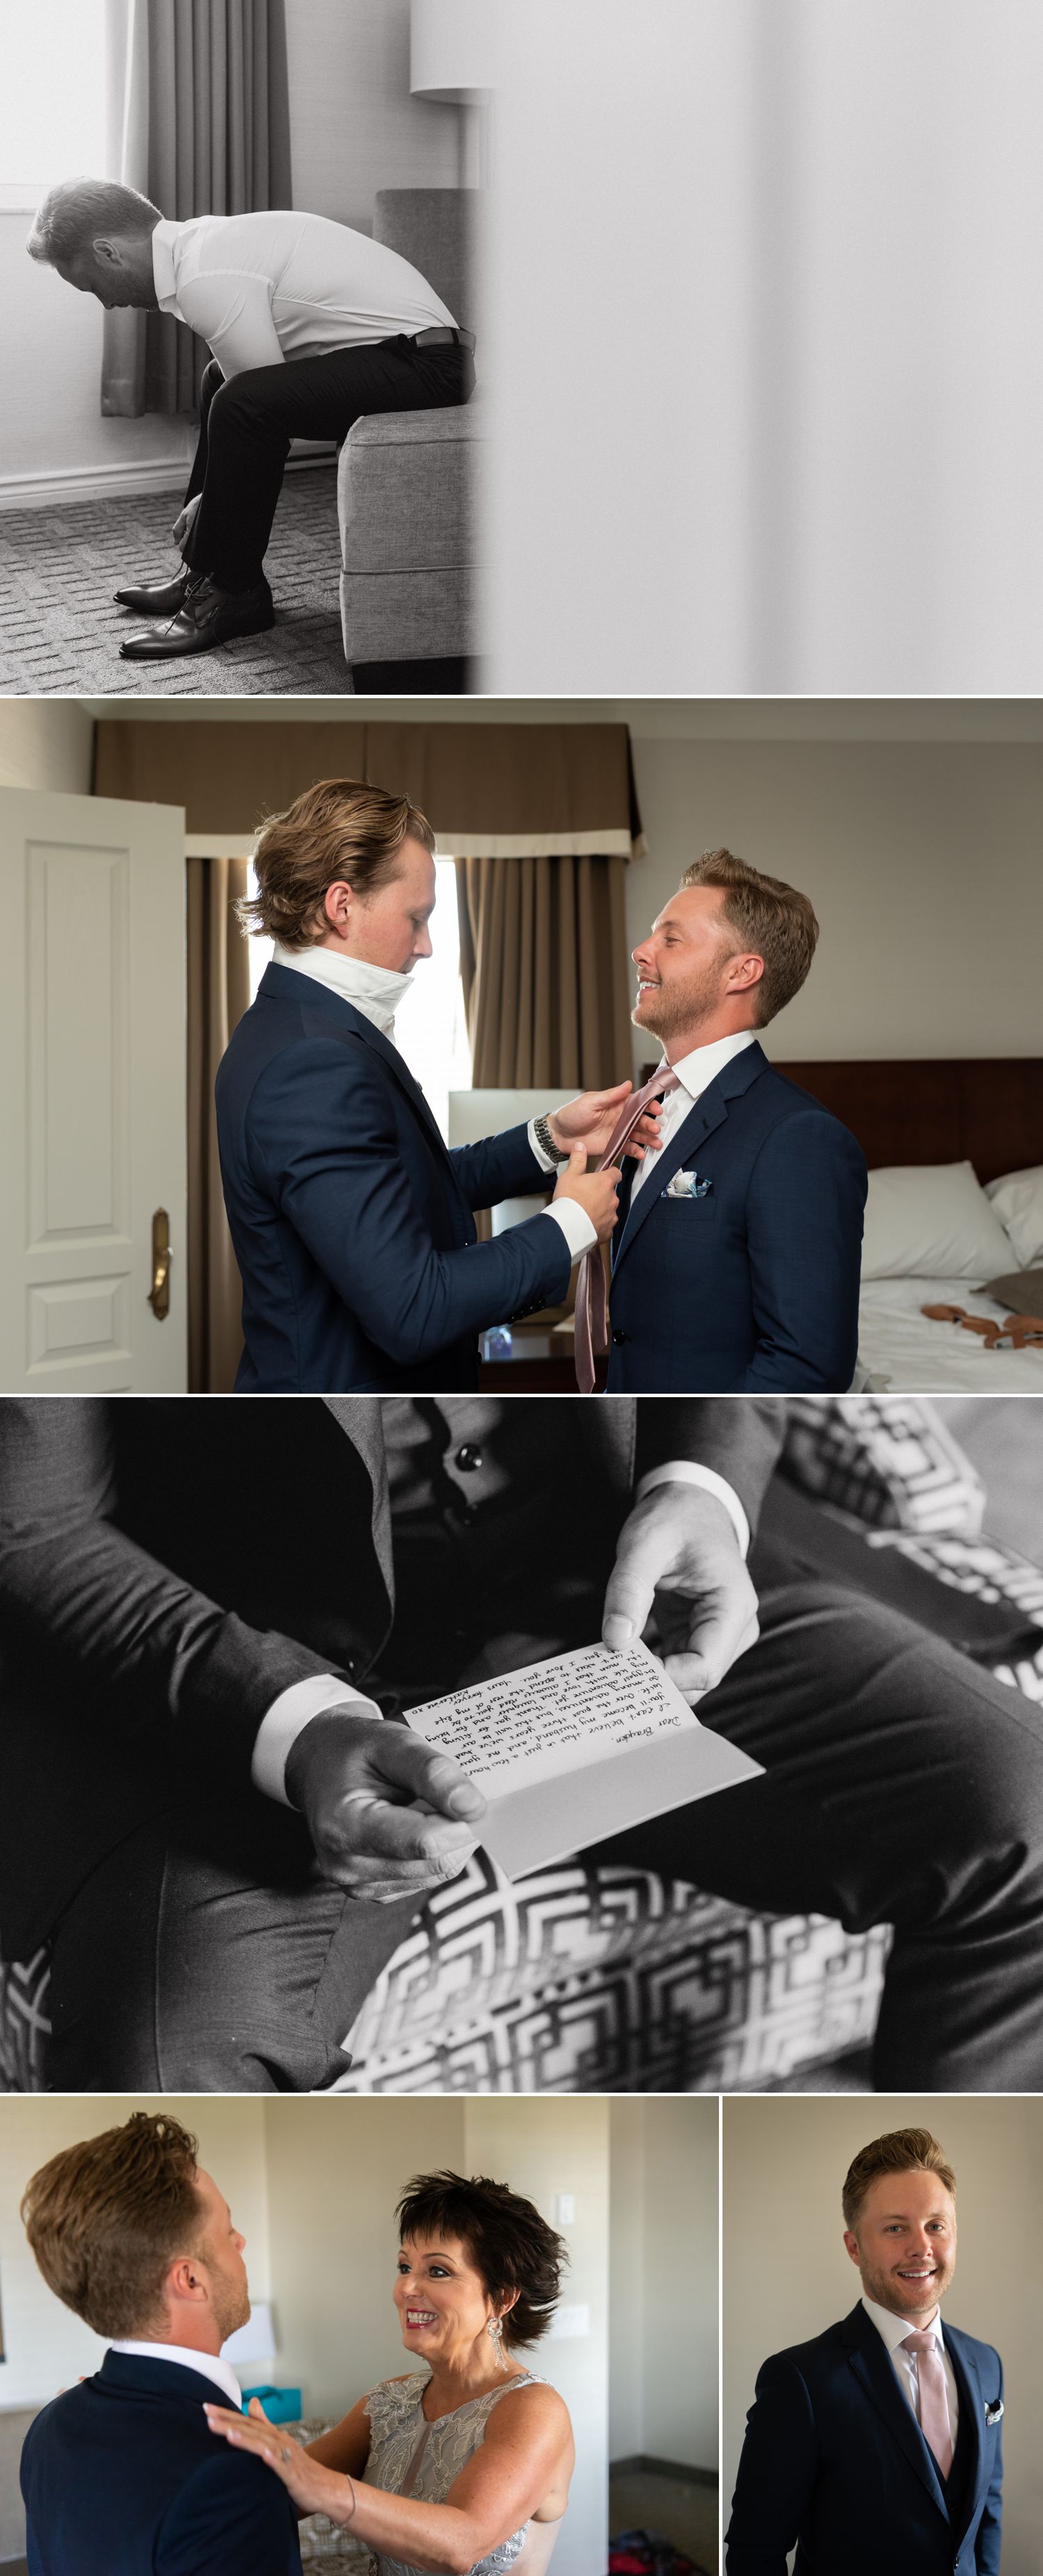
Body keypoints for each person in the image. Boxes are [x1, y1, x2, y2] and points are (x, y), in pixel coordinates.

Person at [2, 1395, 1042, 2095]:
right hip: (256, 1671)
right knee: (165, 2052)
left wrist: (698, 1489)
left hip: (617, 1602)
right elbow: (37, 1527)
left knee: (1022, 1812)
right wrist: (299, 1725)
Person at [215, 775, 655, 1392]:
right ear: (341, 906)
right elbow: (413, 1310)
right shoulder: (313, 1062)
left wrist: (551, 1137)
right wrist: (569, 1225)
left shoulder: (298, 1027)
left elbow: (405, 1187)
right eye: (416, 918)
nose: (425, 947)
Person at [25, 182, 476, 663]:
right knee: (219, 380)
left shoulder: (205, 273)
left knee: (242, 403)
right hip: (398, 358)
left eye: (91, 285)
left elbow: (256, 407)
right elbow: (248, 387)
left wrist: (211, 501)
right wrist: (212, 503)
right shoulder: (200, 247)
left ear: (108, 252)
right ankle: (202, 575)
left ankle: (234, 592)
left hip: (430, 368)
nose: (107, 304)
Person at [204, 2168, 574, 2575]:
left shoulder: (534, 2410)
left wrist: (321, 2486)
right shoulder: (388, 2402)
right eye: (404, 2267)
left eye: (437, 2271)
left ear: (501, 2298)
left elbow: (461, 2545)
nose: (406, 2289)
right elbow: (279, 2497)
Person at [601, 849, 868, 1391]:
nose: (641, 952)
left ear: (741, 972)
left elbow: (805, 1368)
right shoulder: (642, 1107)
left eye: (670, 939)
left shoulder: (799, 1139)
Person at [19, 2111, 302, 2575]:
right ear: (190, 2279)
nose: (242, 2241)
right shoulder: (232, 2475)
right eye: (228, 2231)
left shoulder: (51, 2425)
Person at [725, 2127, 1003, 2576]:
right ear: (854, 2247)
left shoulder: (986, 2364)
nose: (921, 2247)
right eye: (896, 2228)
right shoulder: (800, 2380)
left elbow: (987, 2508)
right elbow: (754, 2551)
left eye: (936, 2226)